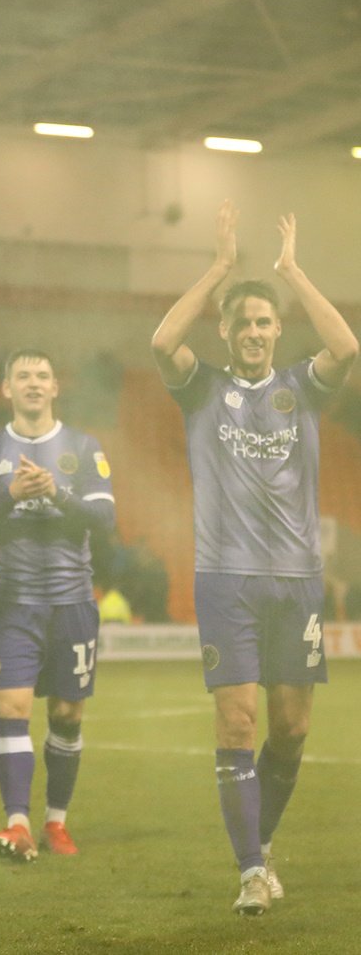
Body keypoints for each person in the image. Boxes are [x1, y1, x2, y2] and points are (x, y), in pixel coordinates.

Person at [150, 203, 358, 915]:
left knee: (292, 728)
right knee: (238, 722)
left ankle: (259, 845)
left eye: (265, 322)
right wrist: (219, 270)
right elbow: (161, 340)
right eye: (243, 322)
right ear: (228, 330)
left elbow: (348, 347)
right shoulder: (202, 386)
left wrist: (290, 272)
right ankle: (248, 871)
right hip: (226, 578)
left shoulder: (302, 387)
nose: (254, 333)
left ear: (277, 330)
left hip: (296, 582)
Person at [0, 349, 115, 862]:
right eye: (22, 375)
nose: (33, 383)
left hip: (72, 601)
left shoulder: (83, 446)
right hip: (12, 602)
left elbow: (106, 520)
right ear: (6, 388)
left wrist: (57, 494)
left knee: (67, 715)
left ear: (55, 387)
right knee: (14, 709)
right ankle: (18, 824)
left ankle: (56, 822)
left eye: (42, 375)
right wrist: (11, 494)